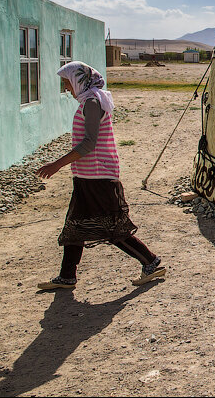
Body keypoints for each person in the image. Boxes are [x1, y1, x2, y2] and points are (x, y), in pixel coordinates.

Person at [35, 61, 165, 290]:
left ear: (78, 80)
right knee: (76, 224)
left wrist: (57, 164)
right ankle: (67, 276)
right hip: (88, 175)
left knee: (113, 227)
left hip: (99, 176)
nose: (66, 88)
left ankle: (150, 261)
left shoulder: (93, 103)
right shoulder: (90, 101)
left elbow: (89, 144)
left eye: (67, 82)